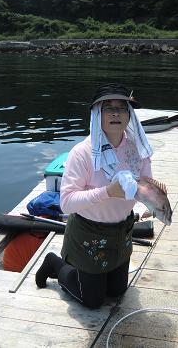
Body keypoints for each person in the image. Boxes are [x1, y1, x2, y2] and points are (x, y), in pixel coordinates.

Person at [35, 83, 153, 308]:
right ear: (97, 114)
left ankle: (98, 276)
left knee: (117, 292)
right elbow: (67, 203)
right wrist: (108, 191)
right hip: (89, 232)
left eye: (122, 107)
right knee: (93, 301)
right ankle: (55, 265)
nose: (116, 113)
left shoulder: (138, 149)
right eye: (108, 108)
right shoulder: (82, 153)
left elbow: (144, 186)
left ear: (130, 115)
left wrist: (155, 198)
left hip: (121, 230)